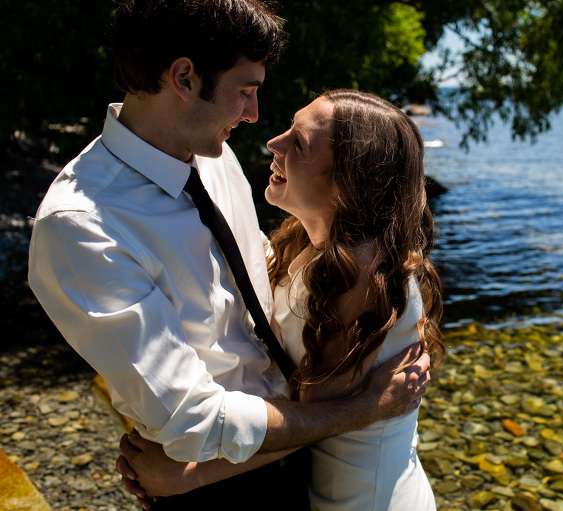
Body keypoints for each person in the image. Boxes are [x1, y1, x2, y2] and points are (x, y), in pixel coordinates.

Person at [27, 1, 429, 509]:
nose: (254, 116)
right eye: (245, 91)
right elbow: (194, 419)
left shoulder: (214, 155)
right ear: (184, 77)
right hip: (221, 481)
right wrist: (364, 409)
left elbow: (252, 270)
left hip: (298, 452)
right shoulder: (83, 228)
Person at [119, 90, 445, 510]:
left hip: (364, 495)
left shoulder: (364, 275)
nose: (274, 143)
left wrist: (185, 478)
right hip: (313, 481)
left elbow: (311, 424)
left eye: (300, 144)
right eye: (290, 128)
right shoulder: (308, 242)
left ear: (347, 182)